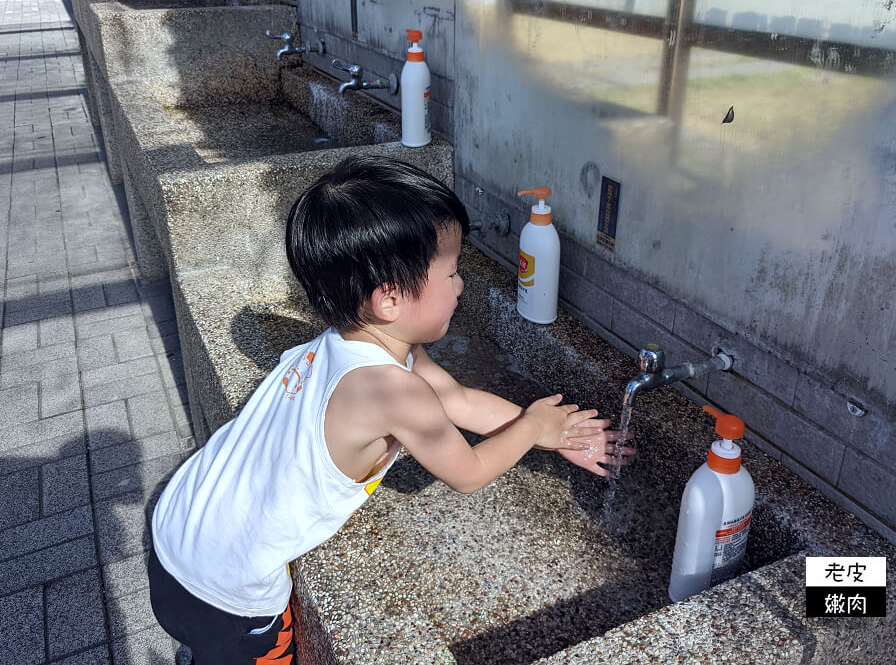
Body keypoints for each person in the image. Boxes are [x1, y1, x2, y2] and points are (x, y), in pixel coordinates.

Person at [148, 154, 635, 664]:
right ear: (390, 300)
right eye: (451, 273)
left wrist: (552, 437)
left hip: (176, 528)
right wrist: (534, 420)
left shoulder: (352, 344)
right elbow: (468, 472)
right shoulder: (394, 392)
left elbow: (459, 402)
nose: (461, 285)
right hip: (225, 595)